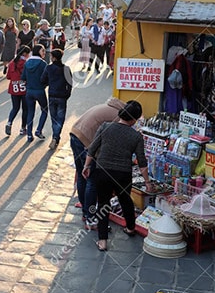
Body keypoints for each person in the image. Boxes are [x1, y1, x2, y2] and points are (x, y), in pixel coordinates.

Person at [82, 101, 148, 251]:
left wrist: (86, 166)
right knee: (125, 200)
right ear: (134, 119)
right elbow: (142, 161)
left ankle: (103, 241)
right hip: (123, 174)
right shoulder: (136, 136)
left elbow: (92, 149)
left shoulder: (105, 127)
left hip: (103, 171)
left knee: (103, 204)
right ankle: (131, 228)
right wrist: (147, 182)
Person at [70, 97, 127, 230]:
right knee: (92, 180)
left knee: (81, 174)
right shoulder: (118, 117)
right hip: (86, 141)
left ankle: (86, 211)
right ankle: (90, 218)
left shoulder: (107, 107)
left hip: (75, 134)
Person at [41, 49, 72, 151]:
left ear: (53, 57)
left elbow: (43, 80)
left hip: (52, 95)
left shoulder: (49, 68)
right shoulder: (66, 69)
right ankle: (55, 137)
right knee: (60, 119)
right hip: (62, 96)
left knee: (54, 118)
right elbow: (70, 84)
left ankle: (55, 137)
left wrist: (49, 83)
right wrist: (67, 95)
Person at [21, 45, 48, 142]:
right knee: (44, 110)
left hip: (29, 91)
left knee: (30, 112)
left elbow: (23, 77)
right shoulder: (43, 63)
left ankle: (29, 134)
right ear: (38, 52)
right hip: (40, 90)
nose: (44, 52)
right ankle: (39, 130)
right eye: (42, 51)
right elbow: (46, 78)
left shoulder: (27, 62)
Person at [5, 45, 30, 136]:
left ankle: (9, 123)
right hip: (24, 88)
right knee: (25, 109)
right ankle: (23, 128)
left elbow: (8, 77)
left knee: (15, 108)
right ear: (25, 53)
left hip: (14, 88)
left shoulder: (12, 63)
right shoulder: (26, 63)